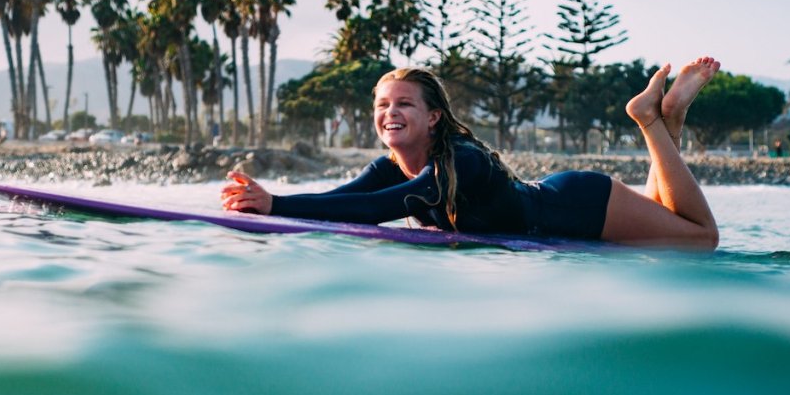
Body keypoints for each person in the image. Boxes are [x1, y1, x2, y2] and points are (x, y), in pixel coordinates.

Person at [221, 58, 721, 250]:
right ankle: (670, 117)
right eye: (382, 105)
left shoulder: (462, 159)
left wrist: (275, 206)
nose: (389, 113)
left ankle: (649, 120)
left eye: (404, 104)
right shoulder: (387, 167)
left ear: (434, 116)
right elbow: (342, 200)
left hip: (580, 207)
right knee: (666, 221)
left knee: (700, 239)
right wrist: (278, 203)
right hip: (565, 206)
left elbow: (380, 210)